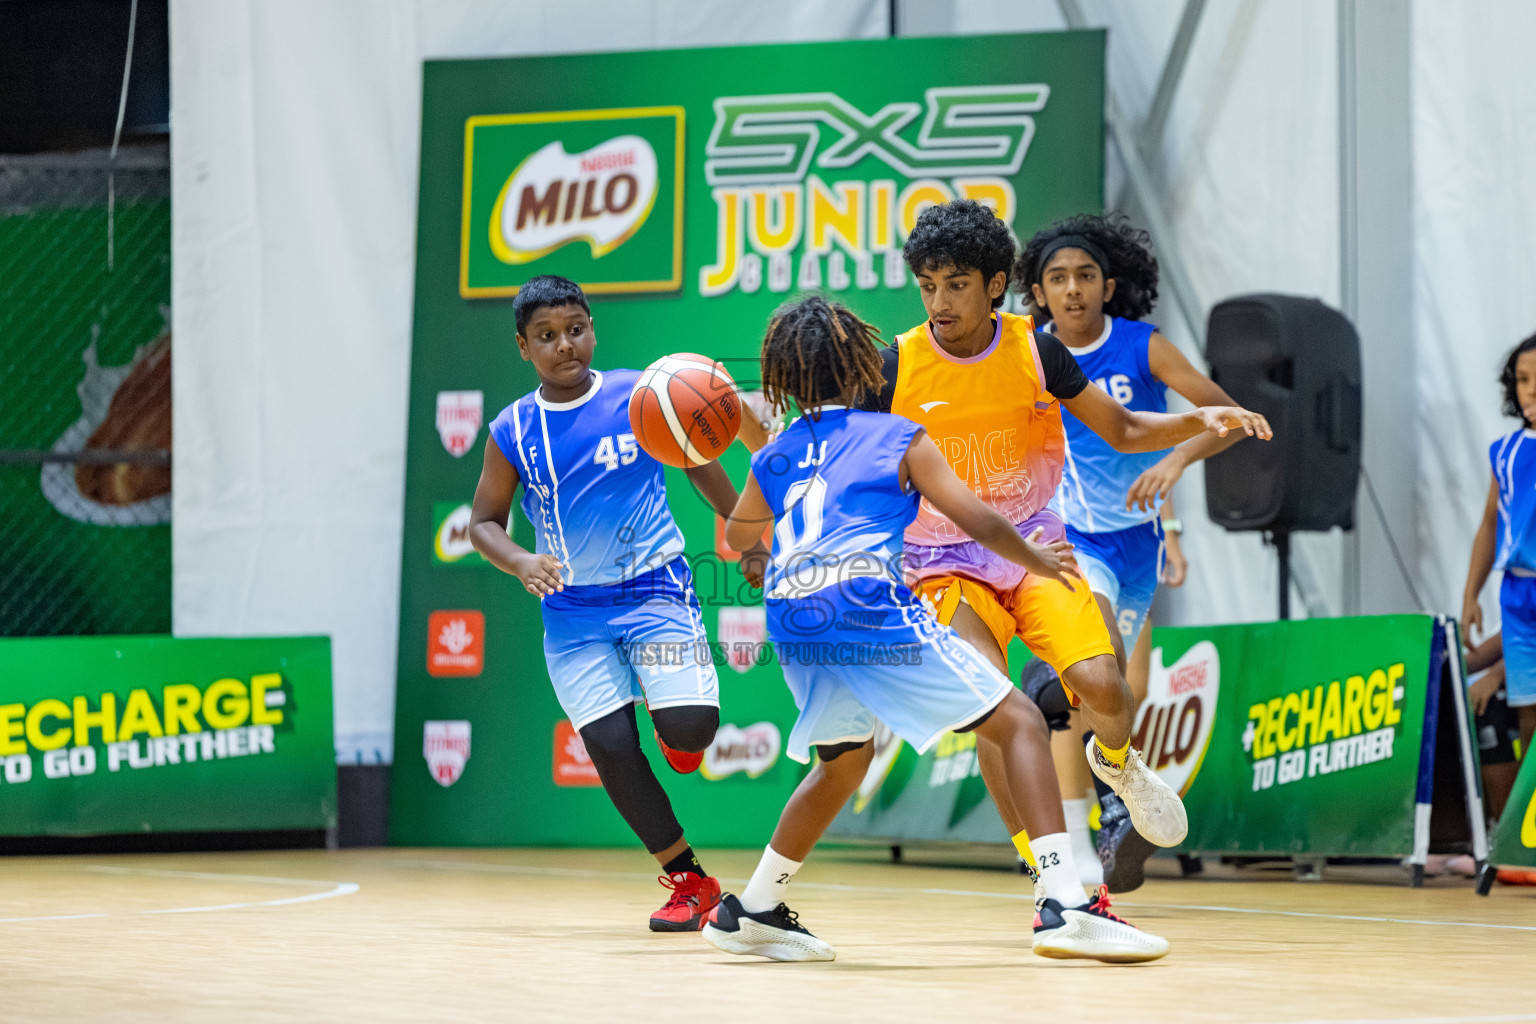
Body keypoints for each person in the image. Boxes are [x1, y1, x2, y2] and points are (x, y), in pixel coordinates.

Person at [707, 295, 1170, 964]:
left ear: (785, 378)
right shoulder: (897, 435)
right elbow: (977, 518)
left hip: (795, 618)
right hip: (866, 603)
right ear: (863, 365)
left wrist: (760, 560)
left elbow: (740, 539)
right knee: (1019, 722)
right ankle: (1065, 904)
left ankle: (750, 909)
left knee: (843, 763)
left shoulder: (774, 455)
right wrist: (1035, 557)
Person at [855, 199, 1270, 864]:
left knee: (1107, 685)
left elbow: (1126, 429)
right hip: (942, 562)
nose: (939, 302)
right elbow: (847, 463)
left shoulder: (1036, 349)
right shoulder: (892, 367)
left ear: (995, 285)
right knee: (993, 703)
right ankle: (1046, 863)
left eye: (956, 285)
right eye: (928, 286)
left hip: (1037, 550)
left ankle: (1119, 766)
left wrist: (1202, 422)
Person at [467, 274, 766, 932]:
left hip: (654, 588)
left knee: (690, 731)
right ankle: (690, 880)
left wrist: (747, 536)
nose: (565, 345)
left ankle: (676, 726)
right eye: (546, 336)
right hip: (572, 615)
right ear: (524, 347)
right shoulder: (512, 428)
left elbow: (696, 461)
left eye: (576, 329)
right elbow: (482, 521)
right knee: (607, 743)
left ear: (593, 328)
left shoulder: (643, 393)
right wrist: (519, 560)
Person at [1017, 214, 1252, 892]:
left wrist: (1176, 468)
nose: (1072, 289)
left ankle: (1099, 779)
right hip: (1068, 539)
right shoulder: (1029, 355)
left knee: (1129, 690)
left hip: (1135, 540)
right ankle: (1091, 820)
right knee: (1097, 675)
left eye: (1085, 276)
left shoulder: (1143, 348)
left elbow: (1224, 417)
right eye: (1057, 278)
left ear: (1108, 284)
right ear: (1038, 293)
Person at [1462, 332, 1536, 762]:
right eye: (1523, 380)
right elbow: (1490, 522)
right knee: (1528, 715)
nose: (1532, 390)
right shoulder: (1505, 453)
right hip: (1518, 591)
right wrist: (1470, 594)